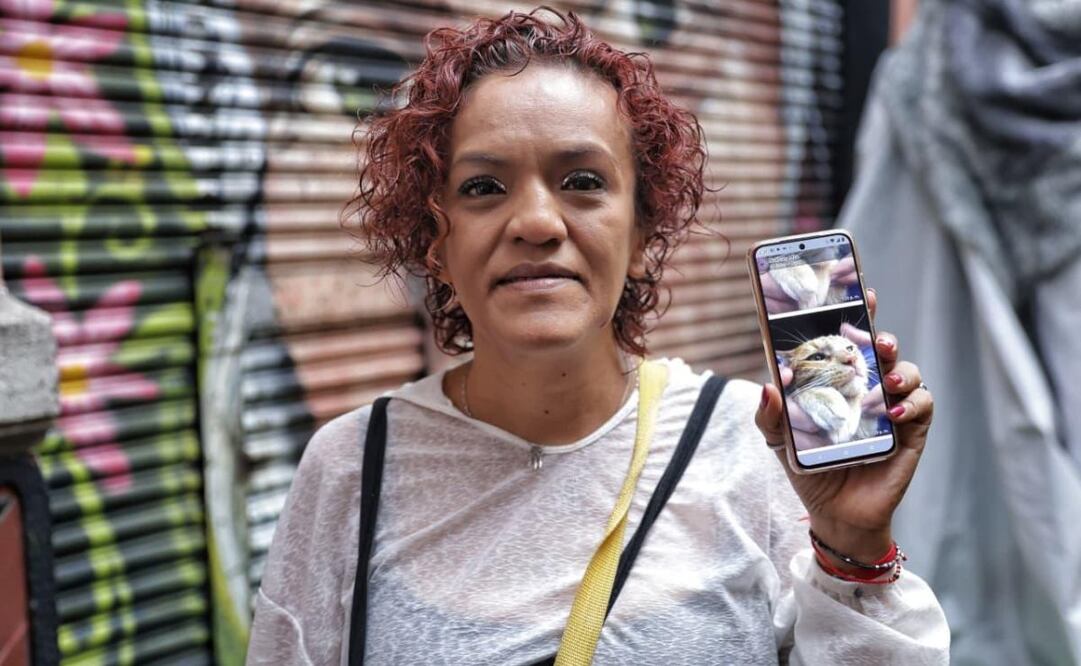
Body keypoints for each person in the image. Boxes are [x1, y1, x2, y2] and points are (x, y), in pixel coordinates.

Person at [246, 8, 948, 664]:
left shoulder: (750, 446)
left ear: (642, 233)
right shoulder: (350, 468)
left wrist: (852, 542)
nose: (536, 223)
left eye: (581, 181)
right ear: (436, 238)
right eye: (483, 189)